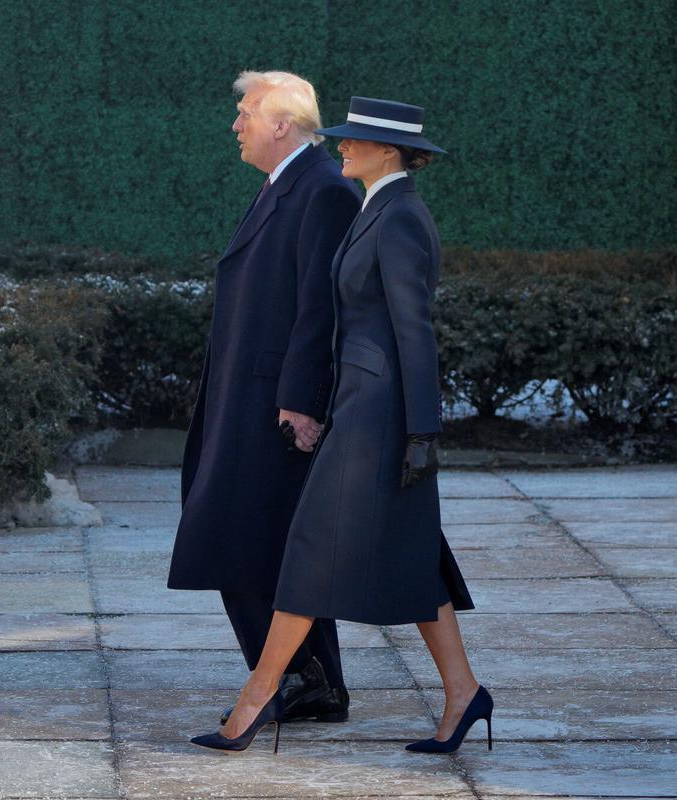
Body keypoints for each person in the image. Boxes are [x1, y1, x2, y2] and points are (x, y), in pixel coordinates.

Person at [191, 97, 492, 756]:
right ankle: (465, 692)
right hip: (359, 406)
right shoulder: (375, 208)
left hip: (378, 418)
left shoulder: (402, 217)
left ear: (386, 151)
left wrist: (421, 433)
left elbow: (416, 334)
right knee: (416, 559)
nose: (342, 147)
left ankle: (258, 696)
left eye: (354, 140)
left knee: (307, 550)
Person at [167, 71, 361, 725]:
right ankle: (315, 681)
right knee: (260, 541)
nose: (236, 124)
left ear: (282, 123)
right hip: (247, 400)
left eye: (246, 112)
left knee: (244, 538)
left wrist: (304, 400)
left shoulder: (324, 191)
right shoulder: (284, 187)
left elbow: (321, 305)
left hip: (275, 407)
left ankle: (301, 678)